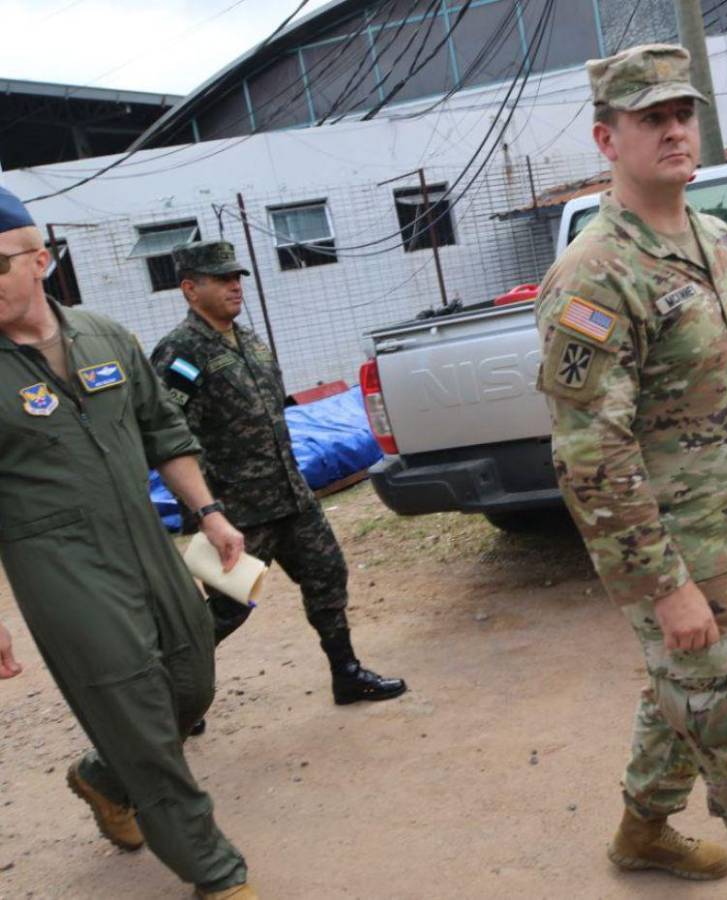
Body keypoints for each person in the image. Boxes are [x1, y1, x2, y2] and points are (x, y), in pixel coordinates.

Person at [534, 44, 727, 899]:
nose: (674, 130)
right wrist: (666, 589)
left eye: (683, 114)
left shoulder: (714, 238)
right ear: (608, 140)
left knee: (684, 692)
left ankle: (642, 828)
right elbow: (591, 458)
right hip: (674, 557)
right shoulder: (594, 276)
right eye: (650, 119)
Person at [0, 188, 256, 899]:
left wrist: (208, 512)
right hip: (58, 563)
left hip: (146, 541)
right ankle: (218, 873)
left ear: (40, 260)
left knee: (190, 678)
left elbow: (162, 433)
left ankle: (102, 776)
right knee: (135, 713)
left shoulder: (106, 336)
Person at [151, 241, 406, 715]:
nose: (235, 285)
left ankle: (346, 674)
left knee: (327, 577)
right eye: (221, 278)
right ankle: (171, 699)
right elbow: (169, 435)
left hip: (291, 494)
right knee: (227, 610)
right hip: (237, 511)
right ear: (190, 289)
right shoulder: (180, 353)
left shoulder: (249, 340)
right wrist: (206, 511)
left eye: (237, 277)